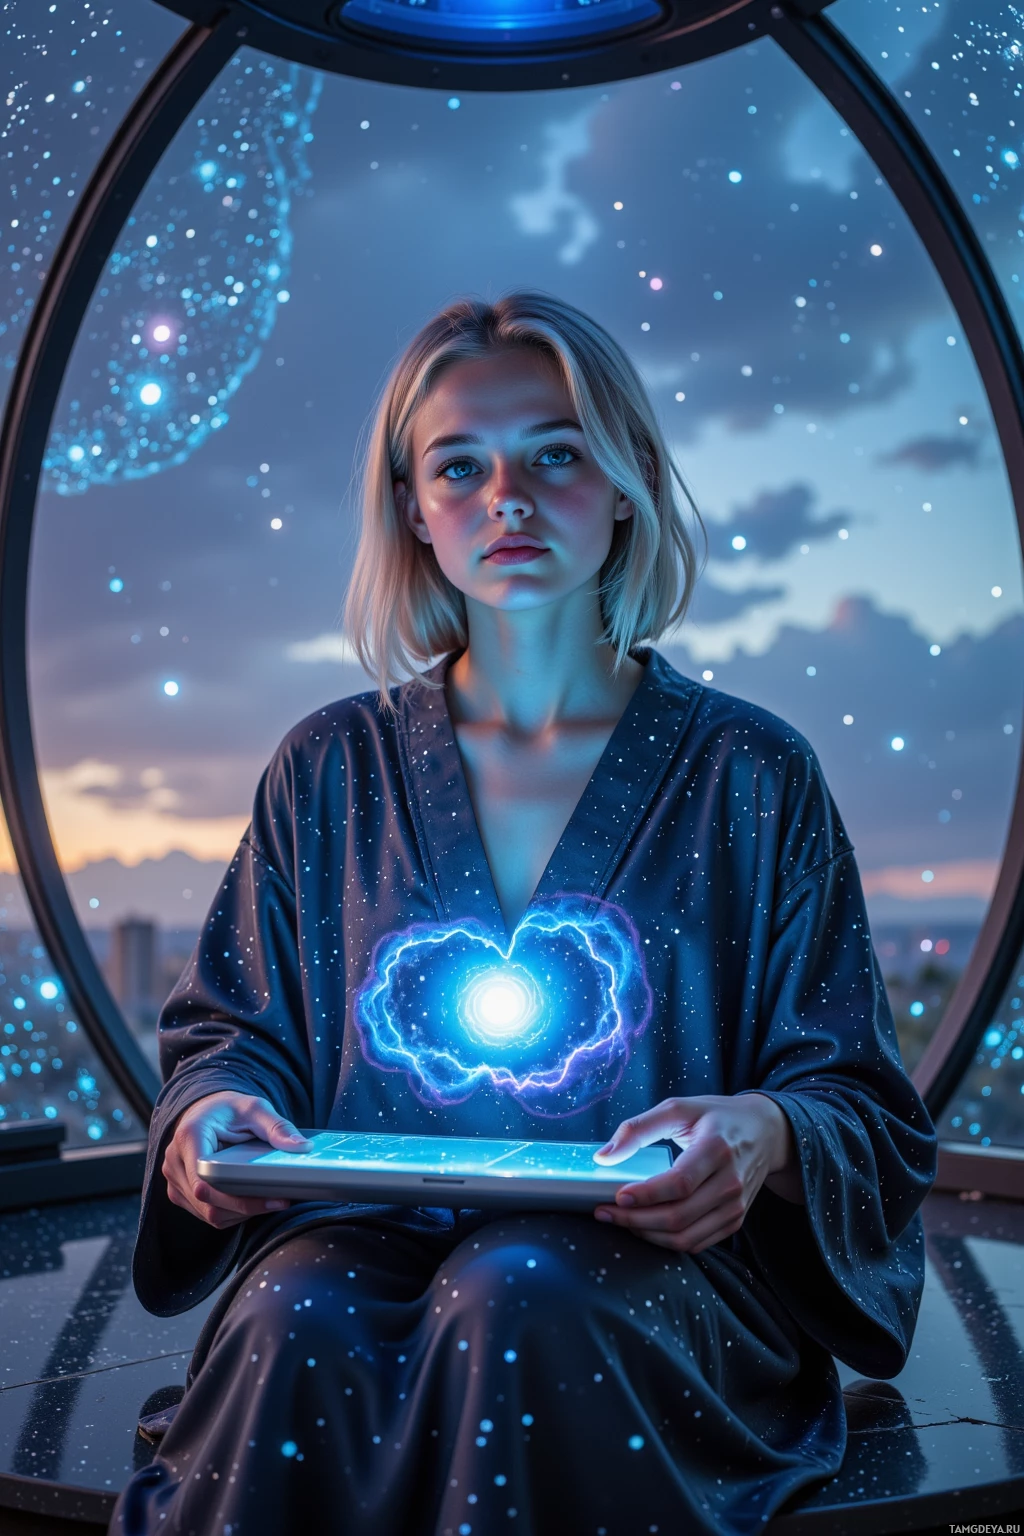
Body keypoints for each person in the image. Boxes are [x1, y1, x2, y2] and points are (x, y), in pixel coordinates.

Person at [112, 292, 937, 1536]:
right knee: (296, 1314)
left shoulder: (752, 777)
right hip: (354, 1242)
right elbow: (235, 1028)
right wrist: (214, 1115)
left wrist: (762, 1135)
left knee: (523, 1289)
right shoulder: (326, 767)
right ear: (412, 507)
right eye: (460, 464)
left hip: (651, 1282)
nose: (508, 496)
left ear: (627, 483)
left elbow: (855, 1093)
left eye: (557, 452)